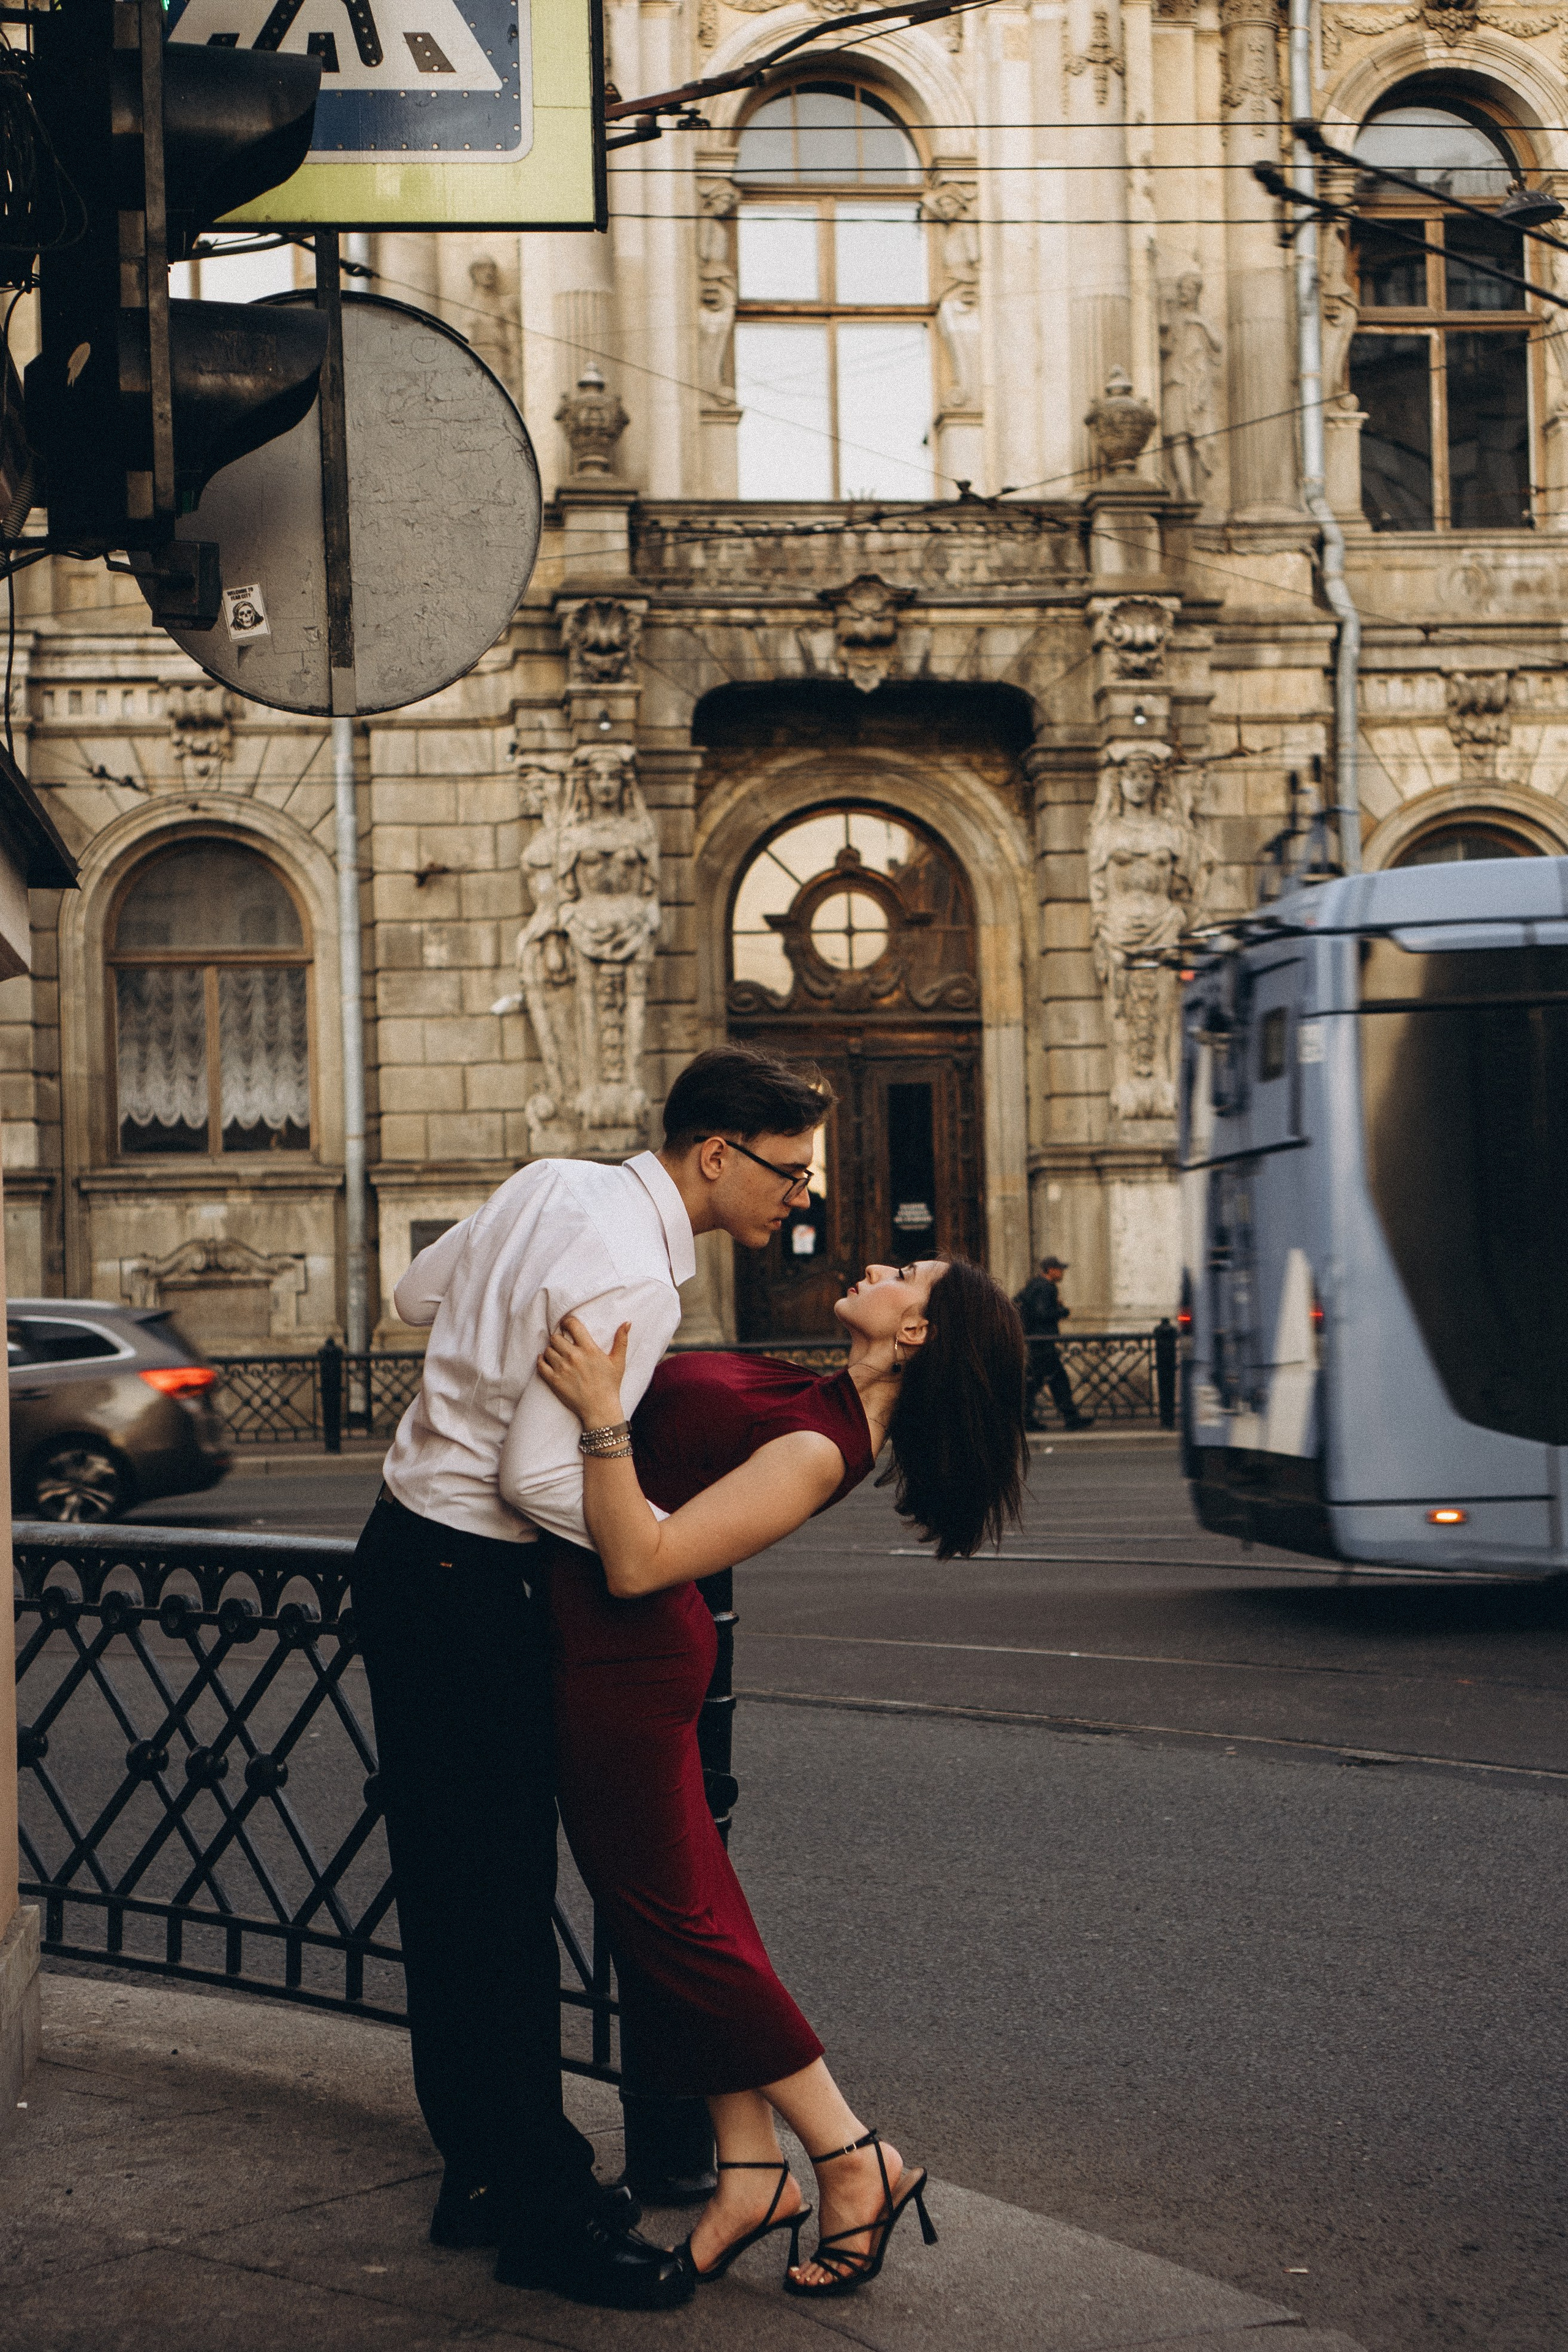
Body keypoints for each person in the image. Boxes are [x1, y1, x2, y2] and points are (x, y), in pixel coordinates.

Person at [349, 1045, 833, 2312]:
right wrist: (648, 1530)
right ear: (713, 1155)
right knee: (501, 1905)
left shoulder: (553, 1181)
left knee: (454, 1894)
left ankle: (484, 2174)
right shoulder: (634, 1269)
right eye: (787, 1173)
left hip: (401, 1547)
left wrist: (490, 1349)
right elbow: (536, 1479)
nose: (802, 1199)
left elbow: (413, 1292)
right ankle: (546, 2216)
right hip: (472, 1576)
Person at [531, 1253, 1028, 2297]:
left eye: (911, 1273)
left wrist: (596, 1415)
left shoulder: (821, 1444)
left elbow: (639, 1560)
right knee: (687, 1921)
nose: (880, 1264)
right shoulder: (815, 1391)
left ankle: (853, 2159)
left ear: (919, 1334)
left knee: (675, 1930)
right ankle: (753, 2170)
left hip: (627, 1668)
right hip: (612, 1660)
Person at [1015, 1254, 1094, 1431]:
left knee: (1049, 1379)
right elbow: (1042, 1313)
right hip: (1043, 1341)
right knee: (1040, 1381)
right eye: (1059, 1269)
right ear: (1050, 1270)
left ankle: (1067, 1417)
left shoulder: (1034, 1285)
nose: (1062, 1272)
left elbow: (1022, 1302)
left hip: (1037, 1340)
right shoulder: (1046, 1288)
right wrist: (1062, 1311)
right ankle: (1028, 1418)